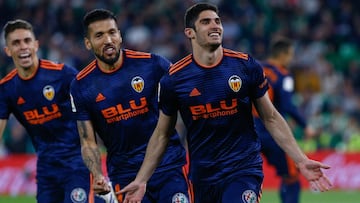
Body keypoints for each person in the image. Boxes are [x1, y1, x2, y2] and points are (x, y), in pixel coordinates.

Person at [119, 3, 332, 203]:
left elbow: (271, 117)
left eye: (217, 21)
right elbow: (162, 133)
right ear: (189, 32)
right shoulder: (174, 79)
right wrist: (142, 179)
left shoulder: (245, 66)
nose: (215, 26)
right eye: (206, 22)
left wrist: (301, 159)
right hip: (202, 175)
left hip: (243, 168)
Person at [69, 8, 189, 203]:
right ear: (88, 43)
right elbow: (88, 141)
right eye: (99, 35)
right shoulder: (81, 85)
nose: (108, 40)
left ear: (120, 35)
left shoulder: (153, 65)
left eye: (112, 32)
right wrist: (97, 174)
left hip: (168, 167)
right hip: (125, 173)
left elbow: (188, 98)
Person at [0, 19, 100, 203]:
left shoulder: (62, 74)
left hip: (76, 160)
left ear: (36, 45)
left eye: (27, 41)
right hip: (46, 166)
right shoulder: (6, 88)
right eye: (16, 43)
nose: (23, 47)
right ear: (8, 50)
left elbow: (94, 103)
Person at [253, 37, 316, 203]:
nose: (291, 59)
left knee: (242, 175)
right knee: (291, 176)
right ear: (283, 55)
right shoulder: (284, 76)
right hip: (273, 132)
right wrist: (305, 125)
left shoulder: (254, 68)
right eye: (291, 55)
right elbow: (288, 106)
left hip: (249, 131)